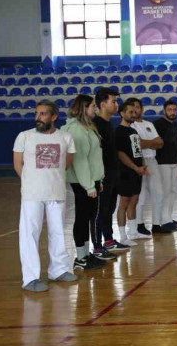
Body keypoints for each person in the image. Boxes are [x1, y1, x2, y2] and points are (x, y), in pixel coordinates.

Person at [13, 100, 78, 292]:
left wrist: (51, 179)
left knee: (58, 232)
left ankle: (58, 270)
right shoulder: (24, 137)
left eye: (42, 114)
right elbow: (18, 164)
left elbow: (65, 164)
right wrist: (32, 181)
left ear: (54, 117)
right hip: (32, 194)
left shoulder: (65, 138)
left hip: (57, 193)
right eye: (36, 114)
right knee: (29, 235)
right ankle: (31, 278)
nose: (37, 118)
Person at [62, 95, 107, 270]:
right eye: (93, 106)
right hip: (83, 182)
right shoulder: (76, 130)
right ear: (83, 107)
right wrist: (88, 185)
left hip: (92, 180)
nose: (95, 109)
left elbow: (94, 157)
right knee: (82, 217)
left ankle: (86, 254)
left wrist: (98, 180)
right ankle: (80, 258)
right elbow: (80, 161)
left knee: (88, 216)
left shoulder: (87, 127)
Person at [92, 87, 128, 256]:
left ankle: (109, 240)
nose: (116, 105)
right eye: (113, 101)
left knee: (109, 209)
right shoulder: (96, 125)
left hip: (113, 174)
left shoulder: (108, 124)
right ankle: (98, 247)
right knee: (101, 210)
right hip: (102, 176)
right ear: (102, 104)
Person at [114, 102, 147, 247]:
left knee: (134, 201)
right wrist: (135, 167)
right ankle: (122, 236)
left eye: (135, 112)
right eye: (130, 112)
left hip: (137, 172)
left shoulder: (133, 131)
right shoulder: (119, 131)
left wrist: (143, 164)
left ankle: (133, 232)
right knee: (124, 203)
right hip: (126, 173)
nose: (133, 114)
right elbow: (120, 154)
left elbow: (138, 151)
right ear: (122, 113)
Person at [127, 99, 161, 239]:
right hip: (139, 161)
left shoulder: (149, 124)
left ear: (142, 109)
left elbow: (160, 143)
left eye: (138, 107)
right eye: (132, 108)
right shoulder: (130, 126)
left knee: (159, 192)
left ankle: (157, 224)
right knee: (140, 196)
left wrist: (148, 143)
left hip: (152, 160)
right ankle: (139, 224)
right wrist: (151, 142)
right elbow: (138, 144)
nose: (135, 110)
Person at [152, 100, 177, 233]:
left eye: (174, 109)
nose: (172, 112)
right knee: (165, 192)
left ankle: (168, 217)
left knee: (172, 191)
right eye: (170, 109)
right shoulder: (157, 124)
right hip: (163, 163)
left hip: (174, 162)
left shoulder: (176, 125)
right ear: (164, 111)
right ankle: (164, 221)